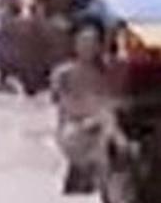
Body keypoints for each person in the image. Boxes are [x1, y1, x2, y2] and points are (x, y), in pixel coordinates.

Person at [51, 21, 123, 194]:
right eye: (83, 42)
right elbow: (62, 104)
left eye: (91, 43)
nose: (86, 47)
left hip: (103, 125)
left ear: (99, 47)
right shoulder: (63, 73)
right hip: (75, 127)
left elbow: (113, 100)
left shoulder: (109, 72)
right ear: (75, 45)